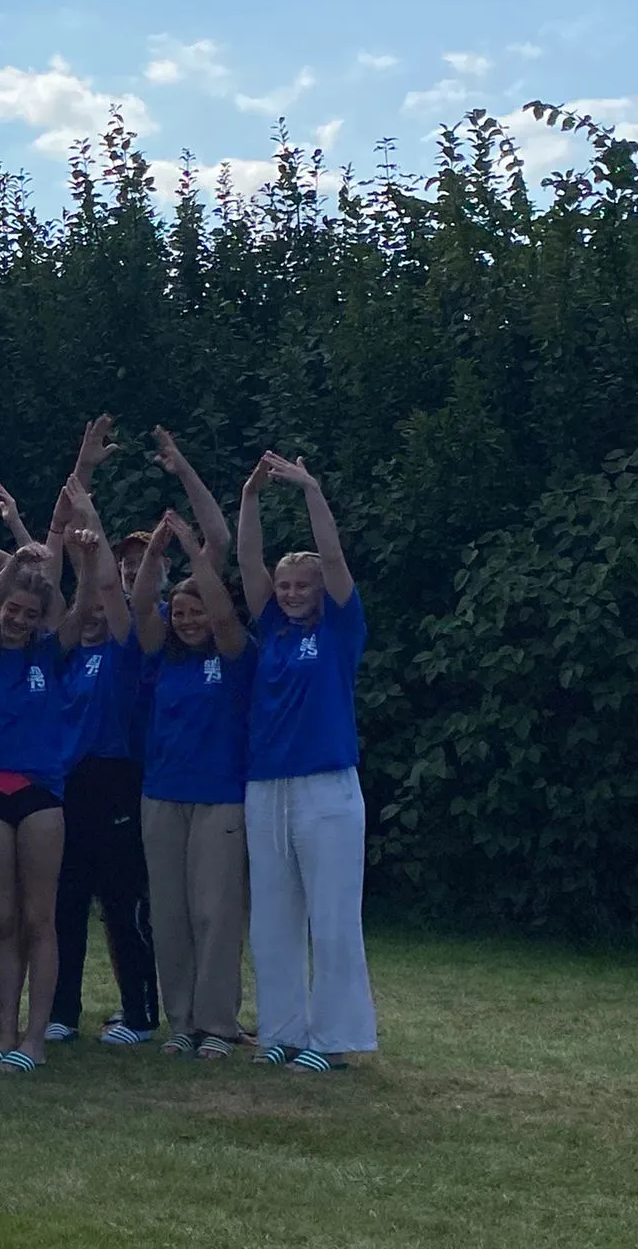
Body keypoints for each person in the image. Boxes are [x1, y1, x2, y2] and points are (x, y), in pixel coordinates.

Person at [238, 452, 377, 1072]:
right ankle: (284, 1032)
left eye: (303, 586)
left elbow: (337, 558)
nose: (291, 594)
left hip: (327, 788)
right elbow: (245, 561)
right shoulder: (272, 627)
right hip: (266, 786)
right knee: (272, 919)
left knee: (332, 919)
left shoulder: (342, 628)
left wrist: (311, 490)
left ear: (322, 591)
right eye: (285, 586)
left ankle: (336, 1041)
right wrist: (249, 498)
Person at [0, 511, 90, 1074]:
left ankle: (35, 1038)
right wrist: (14, 564)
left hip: (40, 792)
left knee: (41, 917)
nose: (17, 620)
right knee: (1, 917)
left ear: (40, 621)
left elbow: (83, 609)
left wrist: (81, 560)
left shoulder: (50, 654)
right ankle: (5, 1030)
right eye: (13, 609)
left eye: (28, 614)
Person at [133, 511, 253, 1059]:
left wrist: (194, 552)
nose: (185, 620)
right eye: (178, 612)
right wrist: (156, 554)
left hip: (220, 797)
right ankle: (180, 1022)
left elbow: (226, 616)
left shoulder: (233, 655)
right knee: (171, 914)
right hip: (161, 794)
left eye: (194, 610)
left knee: (216, 912)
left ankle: (218, 1025)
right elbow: (139, 608)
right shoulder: (164, 659)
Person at [44, 484, 160, 1047]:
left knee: (122, 902)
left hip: (116, 779)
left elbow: (111, 590)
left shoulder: (124, 650)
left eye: (97, 609)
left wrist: (89, 515)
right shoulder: (61, 659)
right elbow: (52, 576)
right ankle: (63, 1010)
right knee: (66, 901)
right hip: (67, 786)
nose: (91, 615)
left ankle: (138, 1013)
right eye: (81, 608)